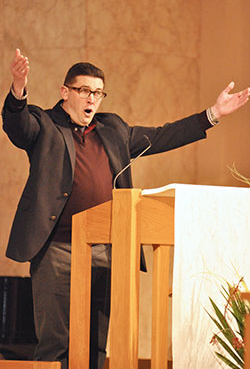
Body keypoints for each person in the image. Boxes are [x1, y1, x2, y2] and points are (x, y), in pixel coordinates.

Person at [2, 48, 249, 369]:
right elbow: (17, 127)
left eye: (98, 93)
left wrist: (212, 114)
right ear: (65, 92)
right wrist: (18, 88)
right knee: (55, 344)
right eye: (84, 91)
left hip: (107, 248)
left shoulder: (113, 129)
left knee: (97, 343)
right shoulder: (44, 124)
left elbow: (161, 136)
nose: (92, 99)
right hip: (57, 250)